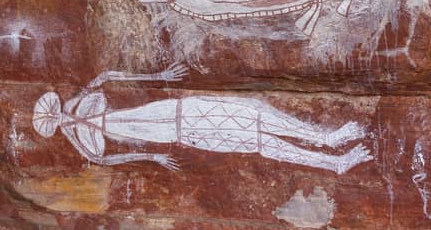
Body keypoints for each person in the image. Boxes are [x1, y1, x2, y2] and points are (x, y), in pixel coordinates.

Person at [33, 64, 372, 175]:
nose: (60, 115)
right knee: (257, 141)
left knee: (254, 112)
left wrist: (159, 74)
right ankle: (334, 164)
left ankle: (326, 139)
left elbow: (106, 75)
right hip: (183, 132)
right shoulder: (81, 141)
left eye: (56, 108)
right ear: (54, 127)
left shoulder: (81, 100)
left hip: (178, 111)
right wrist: (151, 155)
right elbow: (100, 157)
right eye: (55, 120)